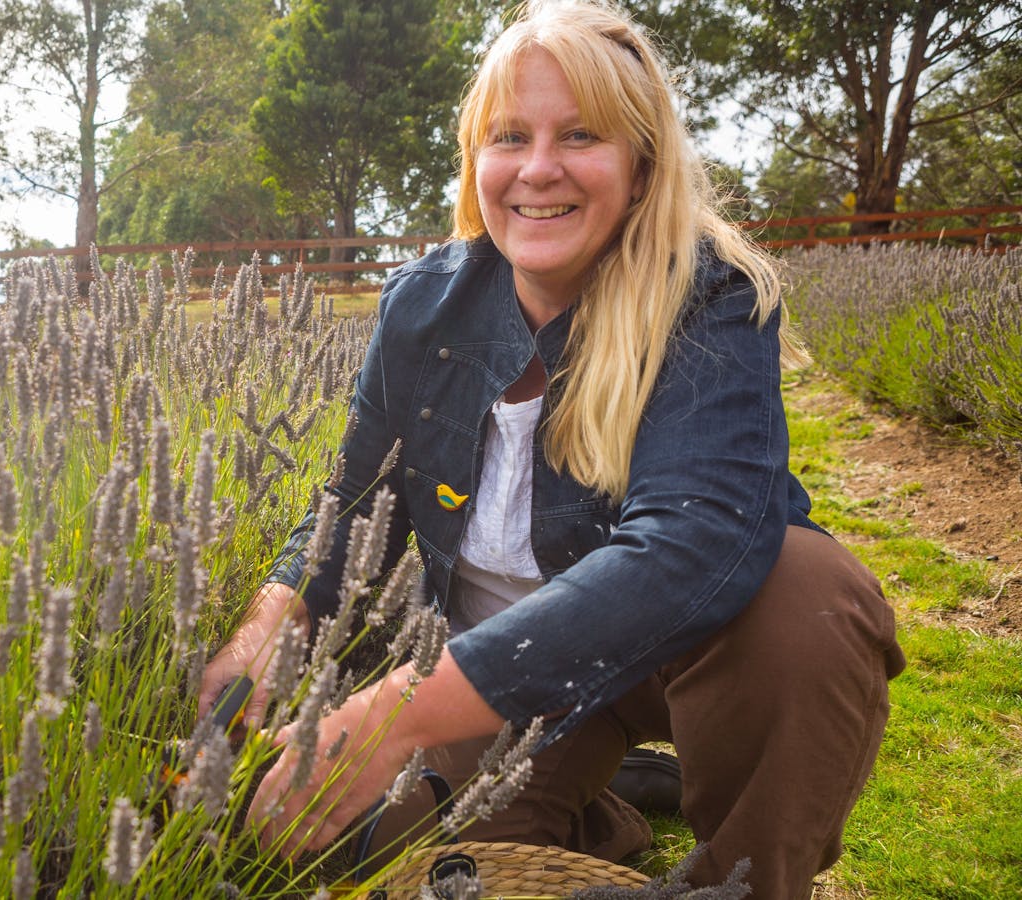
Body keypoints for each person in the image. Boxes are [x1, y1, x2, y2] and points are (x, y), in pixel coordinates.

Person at [198, 2, 906, 897]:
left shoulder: (711, 300)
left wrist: (395, 711)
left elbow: (689, 549)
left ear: (642, 168)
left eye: (580, 135)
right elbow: (350, 512)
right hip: (500, 683)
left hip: (668, 656)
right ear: (475, 161)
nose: (538, 169)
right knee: (384, 853)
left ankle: (744, 873)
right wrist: (266, 626)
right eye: (508, 137)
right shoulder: (421, 311)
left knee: (809, 598)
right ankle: (598, 798)